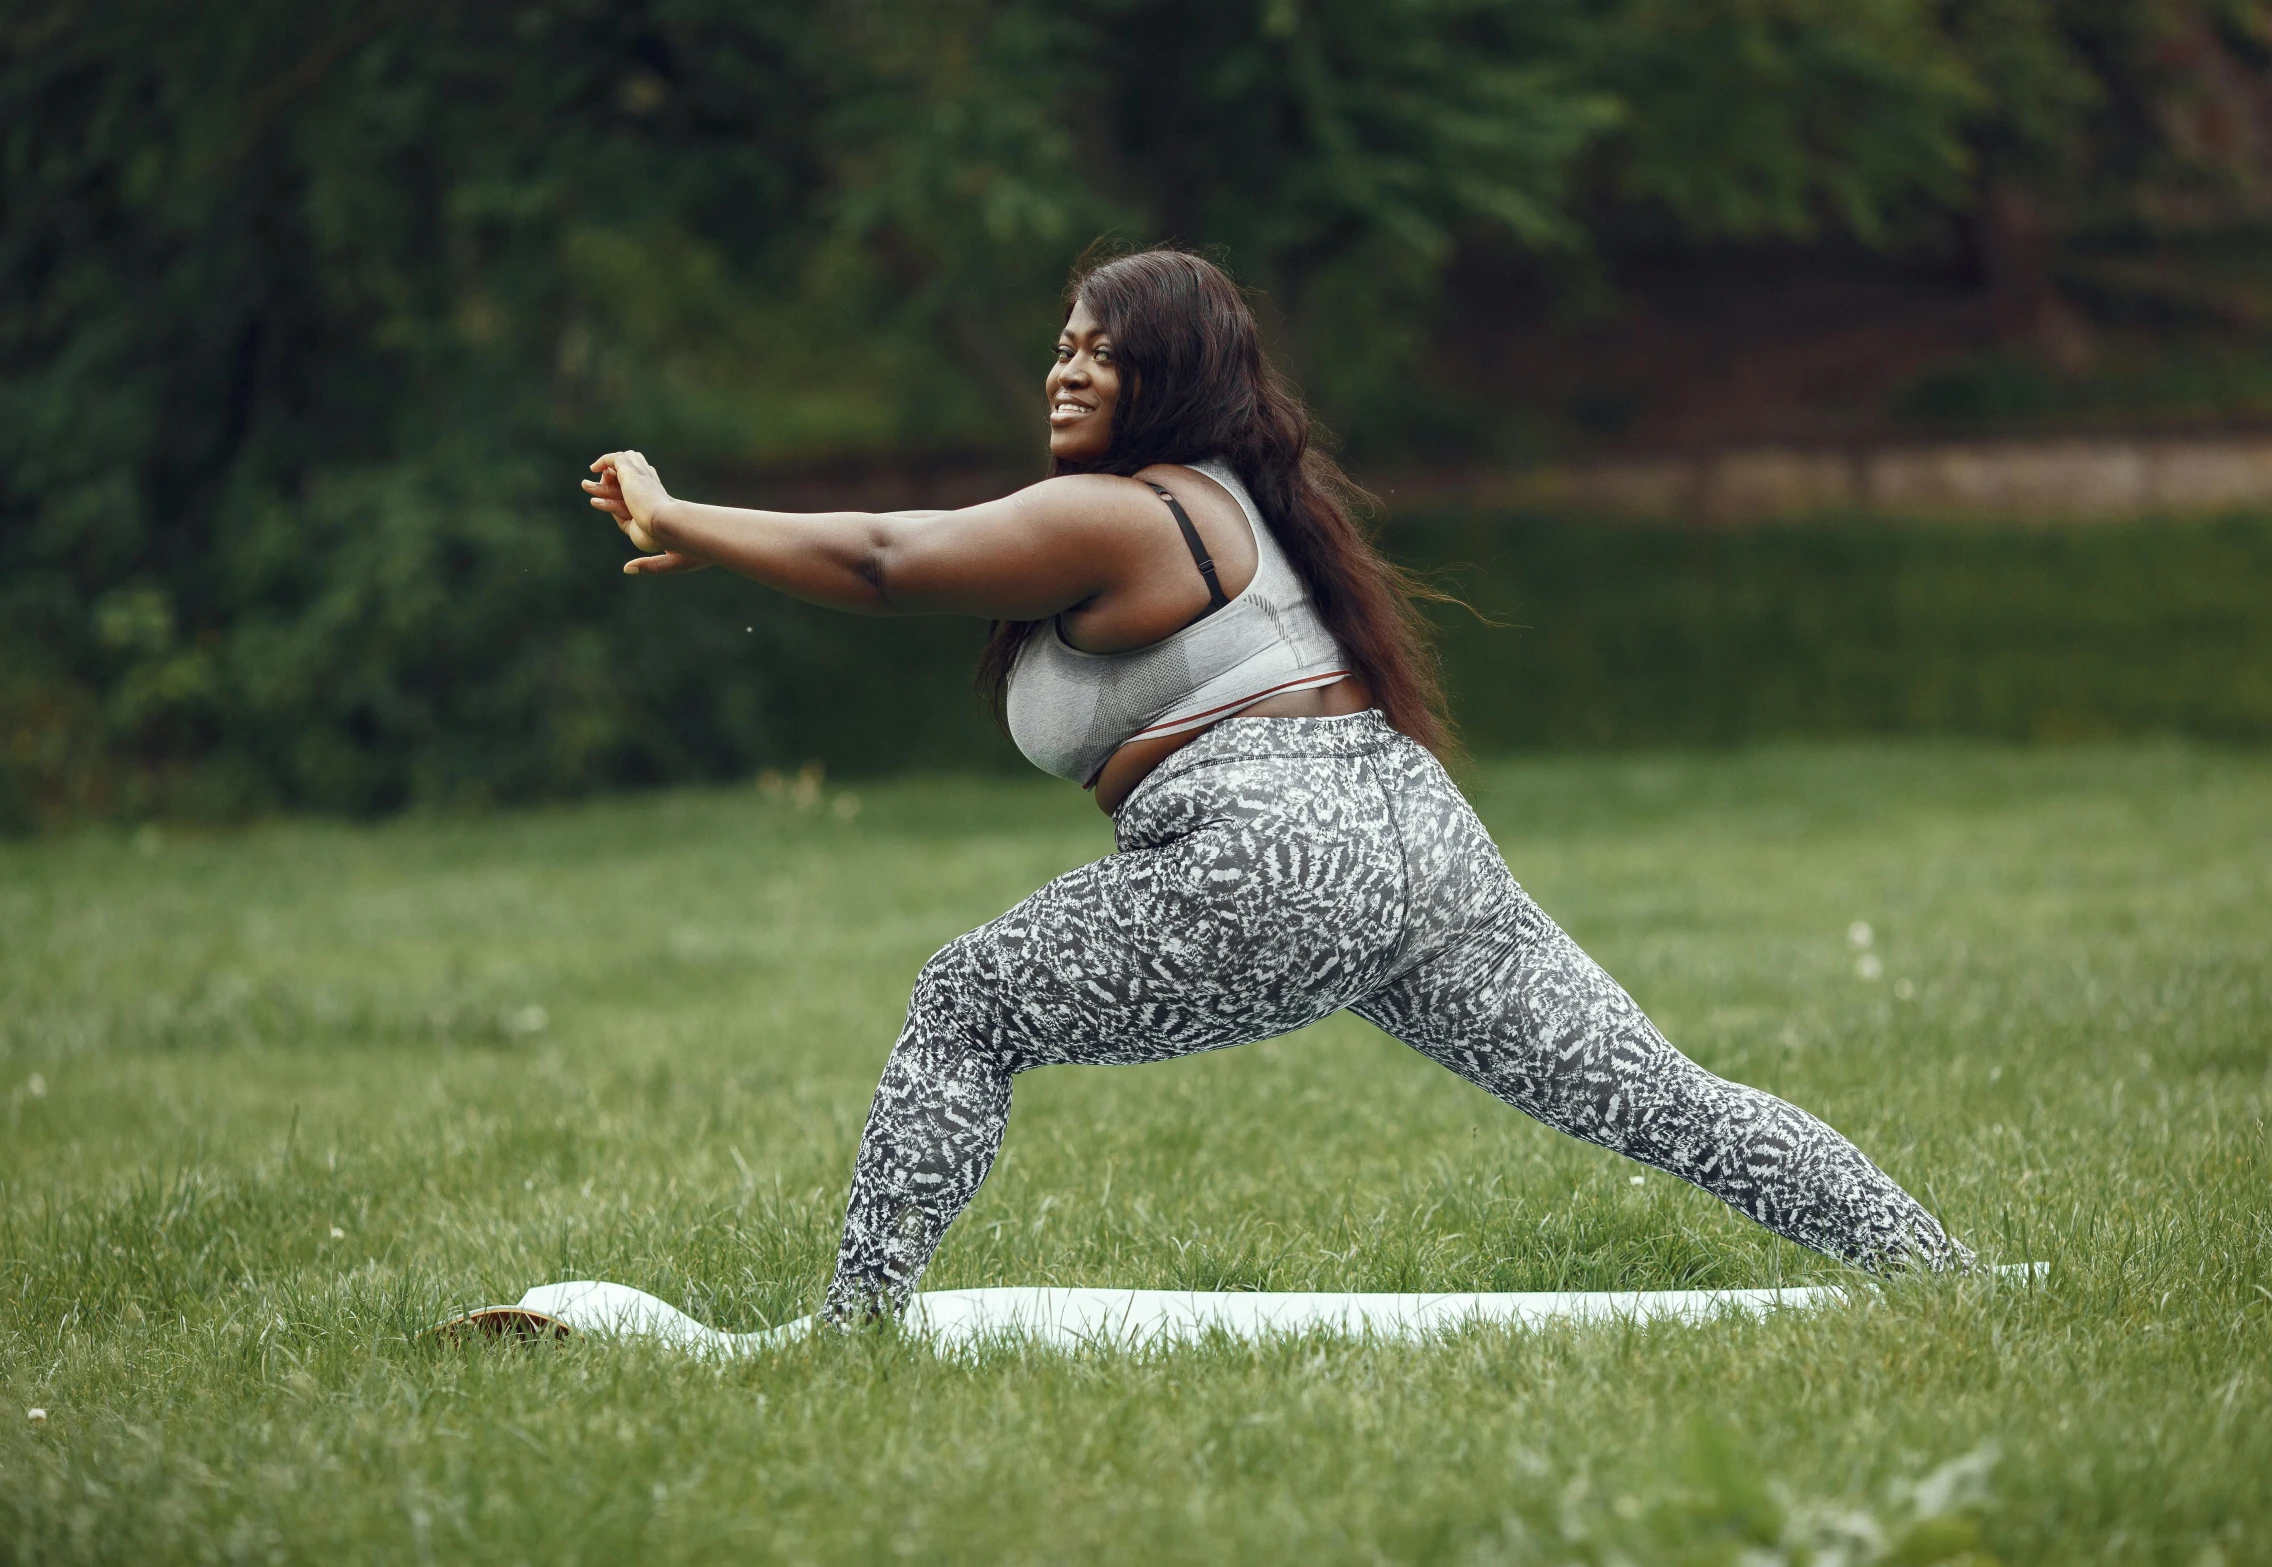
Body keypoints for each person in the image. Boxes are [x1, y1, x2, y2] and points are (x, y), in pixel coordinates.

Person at [582, 248, 1972, 1325]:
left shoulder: (1125, 510)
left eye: (1105, 356)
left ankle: (853, 1331)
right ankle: (1949, 1274)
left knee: (961, 1004)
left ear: (1171, 379)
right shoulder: (1233, 502)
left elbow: (888, 558)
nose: (1066, 372)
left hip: (1277, 857)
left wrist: (681, 513)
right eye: (1063, 346)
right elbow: (910, 549)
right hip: (1414, 845)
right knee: (1663, 1100)